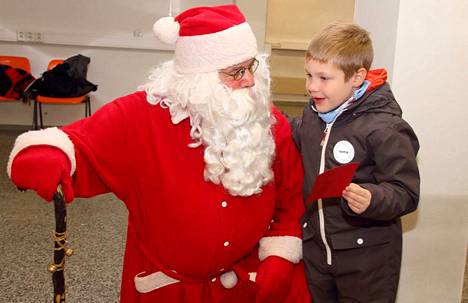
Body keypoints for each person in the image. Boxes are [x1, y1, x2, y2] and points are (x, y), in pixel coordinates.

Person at [6, 4, 312, 303]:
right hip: (167, 287)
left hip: (244, 282)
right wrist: (44, 153)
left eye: (250, 66)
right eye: (236, 72)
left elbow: (290, 195)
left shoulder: (266, 120)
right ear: (197, 78)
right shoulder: (143, 114)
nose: (249, 80)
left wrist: (280, 257)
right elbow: (78, 142)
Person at [290, 22, 420, 303]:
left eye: (324, 78)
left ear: (357, 77)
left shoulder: (385, 127)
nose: (312, 86)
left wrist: (373, 198)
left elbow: (406, 192)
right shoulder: (313, 115)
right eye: (309, 75)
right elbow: (295, 135)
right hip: (318, 252)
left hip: (367, 260)